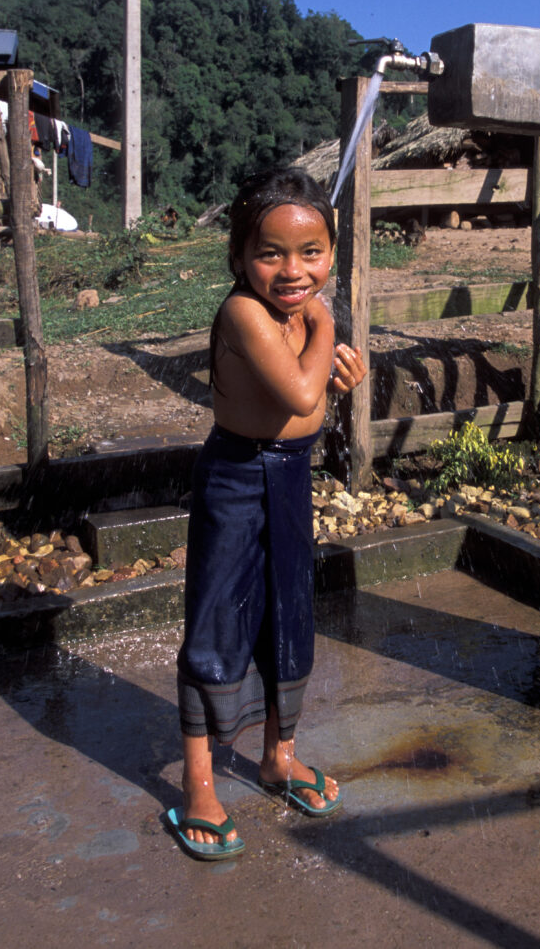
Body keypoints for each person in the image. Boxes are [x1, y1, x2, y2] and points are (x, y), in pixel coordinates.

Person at [166, 167, 366, 860]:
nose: (291, 269)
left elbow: (314, 403)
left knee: (288, 617)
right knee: (218, 622)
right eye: (269, 252)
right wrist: (326, 326)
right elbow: (301, 392)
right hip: (236, 480)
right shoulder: (245, 314)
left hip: (287, 477)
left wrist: (343, 378)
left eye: (310, 252)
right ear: (239, 257)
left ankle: (279, 755)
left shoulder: (295, 312)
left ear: (331, 252)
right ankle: (198, 782)